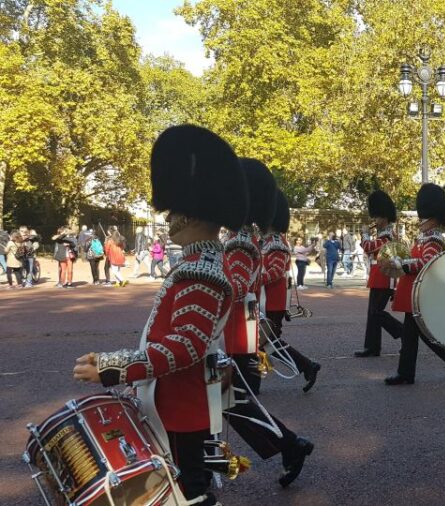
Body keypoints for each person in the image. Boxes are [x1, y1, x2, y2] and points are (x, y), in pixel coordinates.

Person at [71, 124, 248, 506]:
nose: (168, 219)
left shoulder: (201, 271)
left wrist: (112, 366)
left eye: (173, 211)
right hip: (176, 401)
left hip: (180, 407)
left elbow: (184, 347)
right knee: (183, 490)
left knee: (188, 494)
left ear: (191, 213)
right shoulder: (201, 263)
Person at [222, 157, 314, 489]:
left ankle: (291, 445)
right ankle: (290, 446)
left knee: (235, 404)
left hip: (238, 330)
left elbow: (243, 285)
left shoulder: (243, 242)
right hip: (234, 328)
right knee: (230, 404)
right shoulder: (241, 238)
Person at [381, 183, 445, 385]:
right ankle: (406, 373)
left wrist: (403, 264)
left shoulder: (434, 239)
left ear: (433, 218)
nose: (421, 221)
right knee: (410, 335)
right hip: (413, 292)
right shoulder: (424, 237)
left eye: (425, 217)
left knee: (423, 335)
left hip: (423, 293)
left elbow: (428, 264)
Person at [261, 190, 321, 393]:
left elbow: (276, 272)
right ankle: (306, 366)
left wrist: (253, 281)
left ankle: (308, 365)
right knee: (266, 342)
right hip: (268, 300)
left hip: (273, 301)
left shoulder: (276, 243)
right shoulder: (270, 241)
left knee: (268, 342)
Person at [355, 190, 403, 358]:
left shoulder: (388, 235)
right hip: (378, 275)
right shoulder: (383, 234)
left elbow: (369, 247)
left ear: (384, 217)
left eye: (376, 217)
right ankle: (372, 347)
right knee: (372, 313)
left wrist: (366, 233)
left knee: (377, 312)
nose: (374, 220)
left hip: (385, 276)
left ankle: (403, 332)